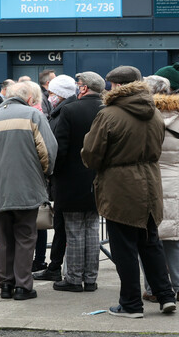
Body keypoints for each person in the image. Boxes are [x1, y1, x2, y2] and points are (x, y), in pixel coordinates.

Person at [82, 65, 177, 318]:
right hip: (149, 183)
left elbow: (92, 153)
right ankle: (166, 295)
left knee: (124, 248)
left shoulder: (109, 114)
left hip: (120, 186)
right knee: (150, 243)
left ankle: (131, 304)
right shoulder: (155, 113)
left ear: (115, 86)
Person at [0, 81, 57, 300]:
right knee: (25, 236)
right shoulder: (33, 115)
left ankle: (4, 285)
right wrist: (45, 174)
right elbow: (48, 151)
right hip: (26, 187)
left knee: (3, 239)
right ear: (31, 98)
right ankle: (23, 286)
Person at [142, 75, 179, 302]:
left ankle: (152, 289)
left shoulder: (142, 116)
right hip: (173, 180)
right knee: (175, 238)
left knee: (148, 237)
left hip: (146, 180)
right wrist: (176, 169)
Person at [49, 72, 105, 293]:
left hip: (71, 180)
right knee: (92, 229)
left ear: (83, 89)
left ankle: (73, 278)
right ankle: (90, 279)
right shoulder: (106, 111)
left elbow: (60, 148)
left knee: (73, 230)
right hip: (98, 180)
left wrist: (55, 173)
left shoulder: (70, 111)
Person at [33, 75, 79, 283]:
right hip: (69, 179)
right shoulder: (62, 110)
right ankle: (58, 266)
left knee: (63, 225)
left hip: (64, 179)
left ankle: (58, 268)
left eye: (52, 93)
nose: (49, 97)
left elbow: (57, 148)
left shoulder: (63, 113)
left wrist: (49, 170)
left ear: (60, 94)